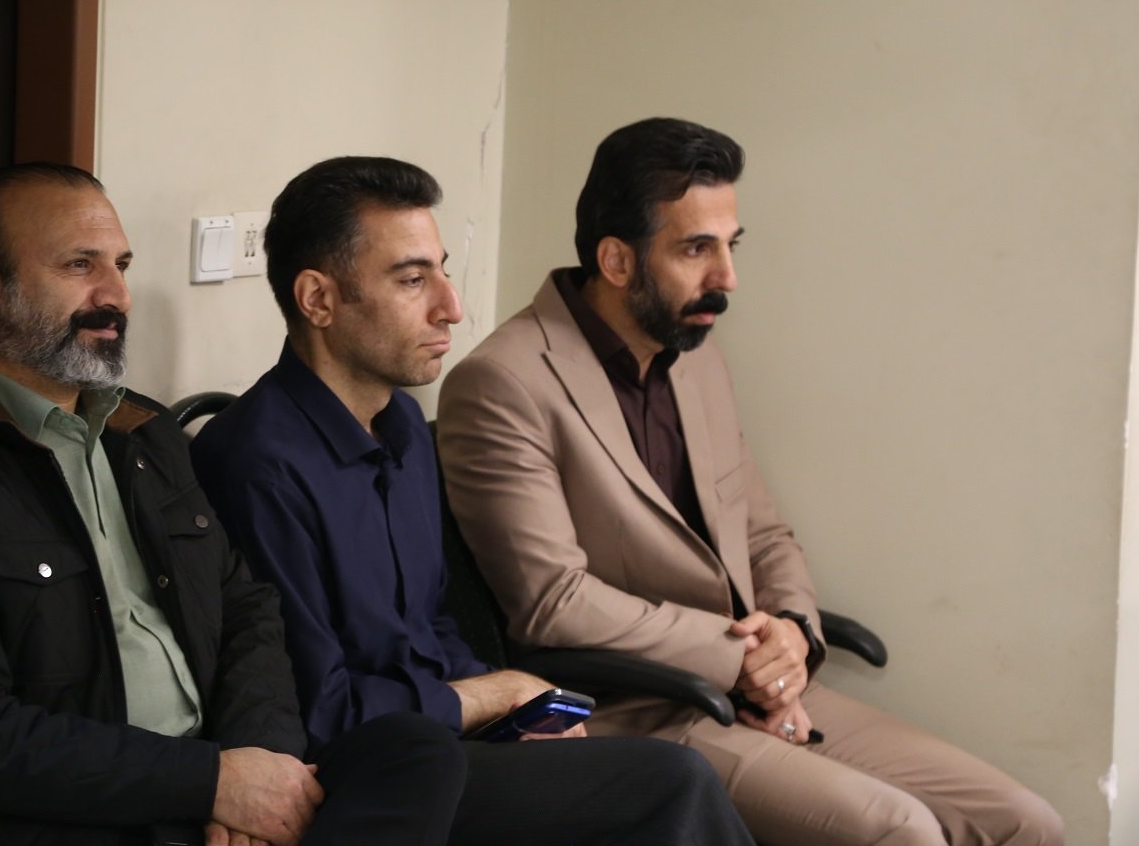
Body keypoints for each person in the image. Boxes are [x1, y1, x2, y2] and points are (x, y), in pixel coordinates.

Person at [435, 117, 1065, 846]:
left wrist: (792, 633)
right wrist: (739, 658)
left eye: (730, 246)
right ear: (616, 260)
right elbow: (555, 601)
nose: (726, 278)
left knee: (1025, 823)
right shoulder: (502, 382)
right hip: (635, 708)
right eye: (695, 249)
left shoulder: (695, 355)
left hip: (758, 685)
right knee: (904, 833)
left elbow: (761, 533)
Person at [0, 163, 470, 846]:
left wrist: (260, 761)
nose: (118, 296)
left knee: (415, 757)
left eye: (122, 265)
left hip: (211, 781)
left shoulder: (144, 434)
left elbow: (246, 611)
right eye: (80, 265)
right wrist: (212, 784)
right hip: (71, 815)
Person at [190, 156, 753, 846]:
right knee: (672, 781)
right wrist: (491, 695)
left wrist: (514, 713)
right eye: (412, 280)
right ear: (318, 300)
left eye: (442, 271)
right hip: (371, 775)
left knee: (654, 780)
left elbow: (432, 627)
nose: (451, 307)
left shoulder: (402, 424)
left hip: (450, 738)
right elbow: (317, 711)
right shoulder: (255, 463)